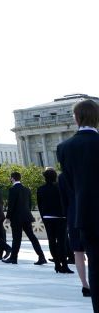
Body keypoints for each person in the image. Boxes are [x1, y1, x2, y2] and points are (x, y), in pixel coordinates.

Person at [57, 98, 99, 310]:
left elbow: (72, 185)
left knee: (95, 268)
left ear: (76, 118)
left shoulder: (65, 148)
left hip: (86, 217)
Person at [4, 171, 46, 265]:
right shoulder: (27, 189)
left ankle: (14, 258)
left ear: (13, 178)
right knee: (32, 237)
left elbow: (11, 205)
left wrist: (8, 217)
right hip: (27, 217)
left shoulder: (12, 189)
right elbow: (30, 204)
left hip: (16, 218)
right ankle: (41, 257)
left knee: (16, 238)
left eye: (10, 177)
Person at [37, 167, 71, 273]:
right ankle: (64, 265)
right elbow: (66, 201)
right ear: (55, 177)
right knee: (62, 242)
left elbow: (40, 205)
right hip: (61, 217)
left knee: (51, 241)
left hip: (47, 218)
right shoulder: (60, 187)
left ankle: (57, 264)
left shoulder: (41, 189)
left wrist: (43, 217)